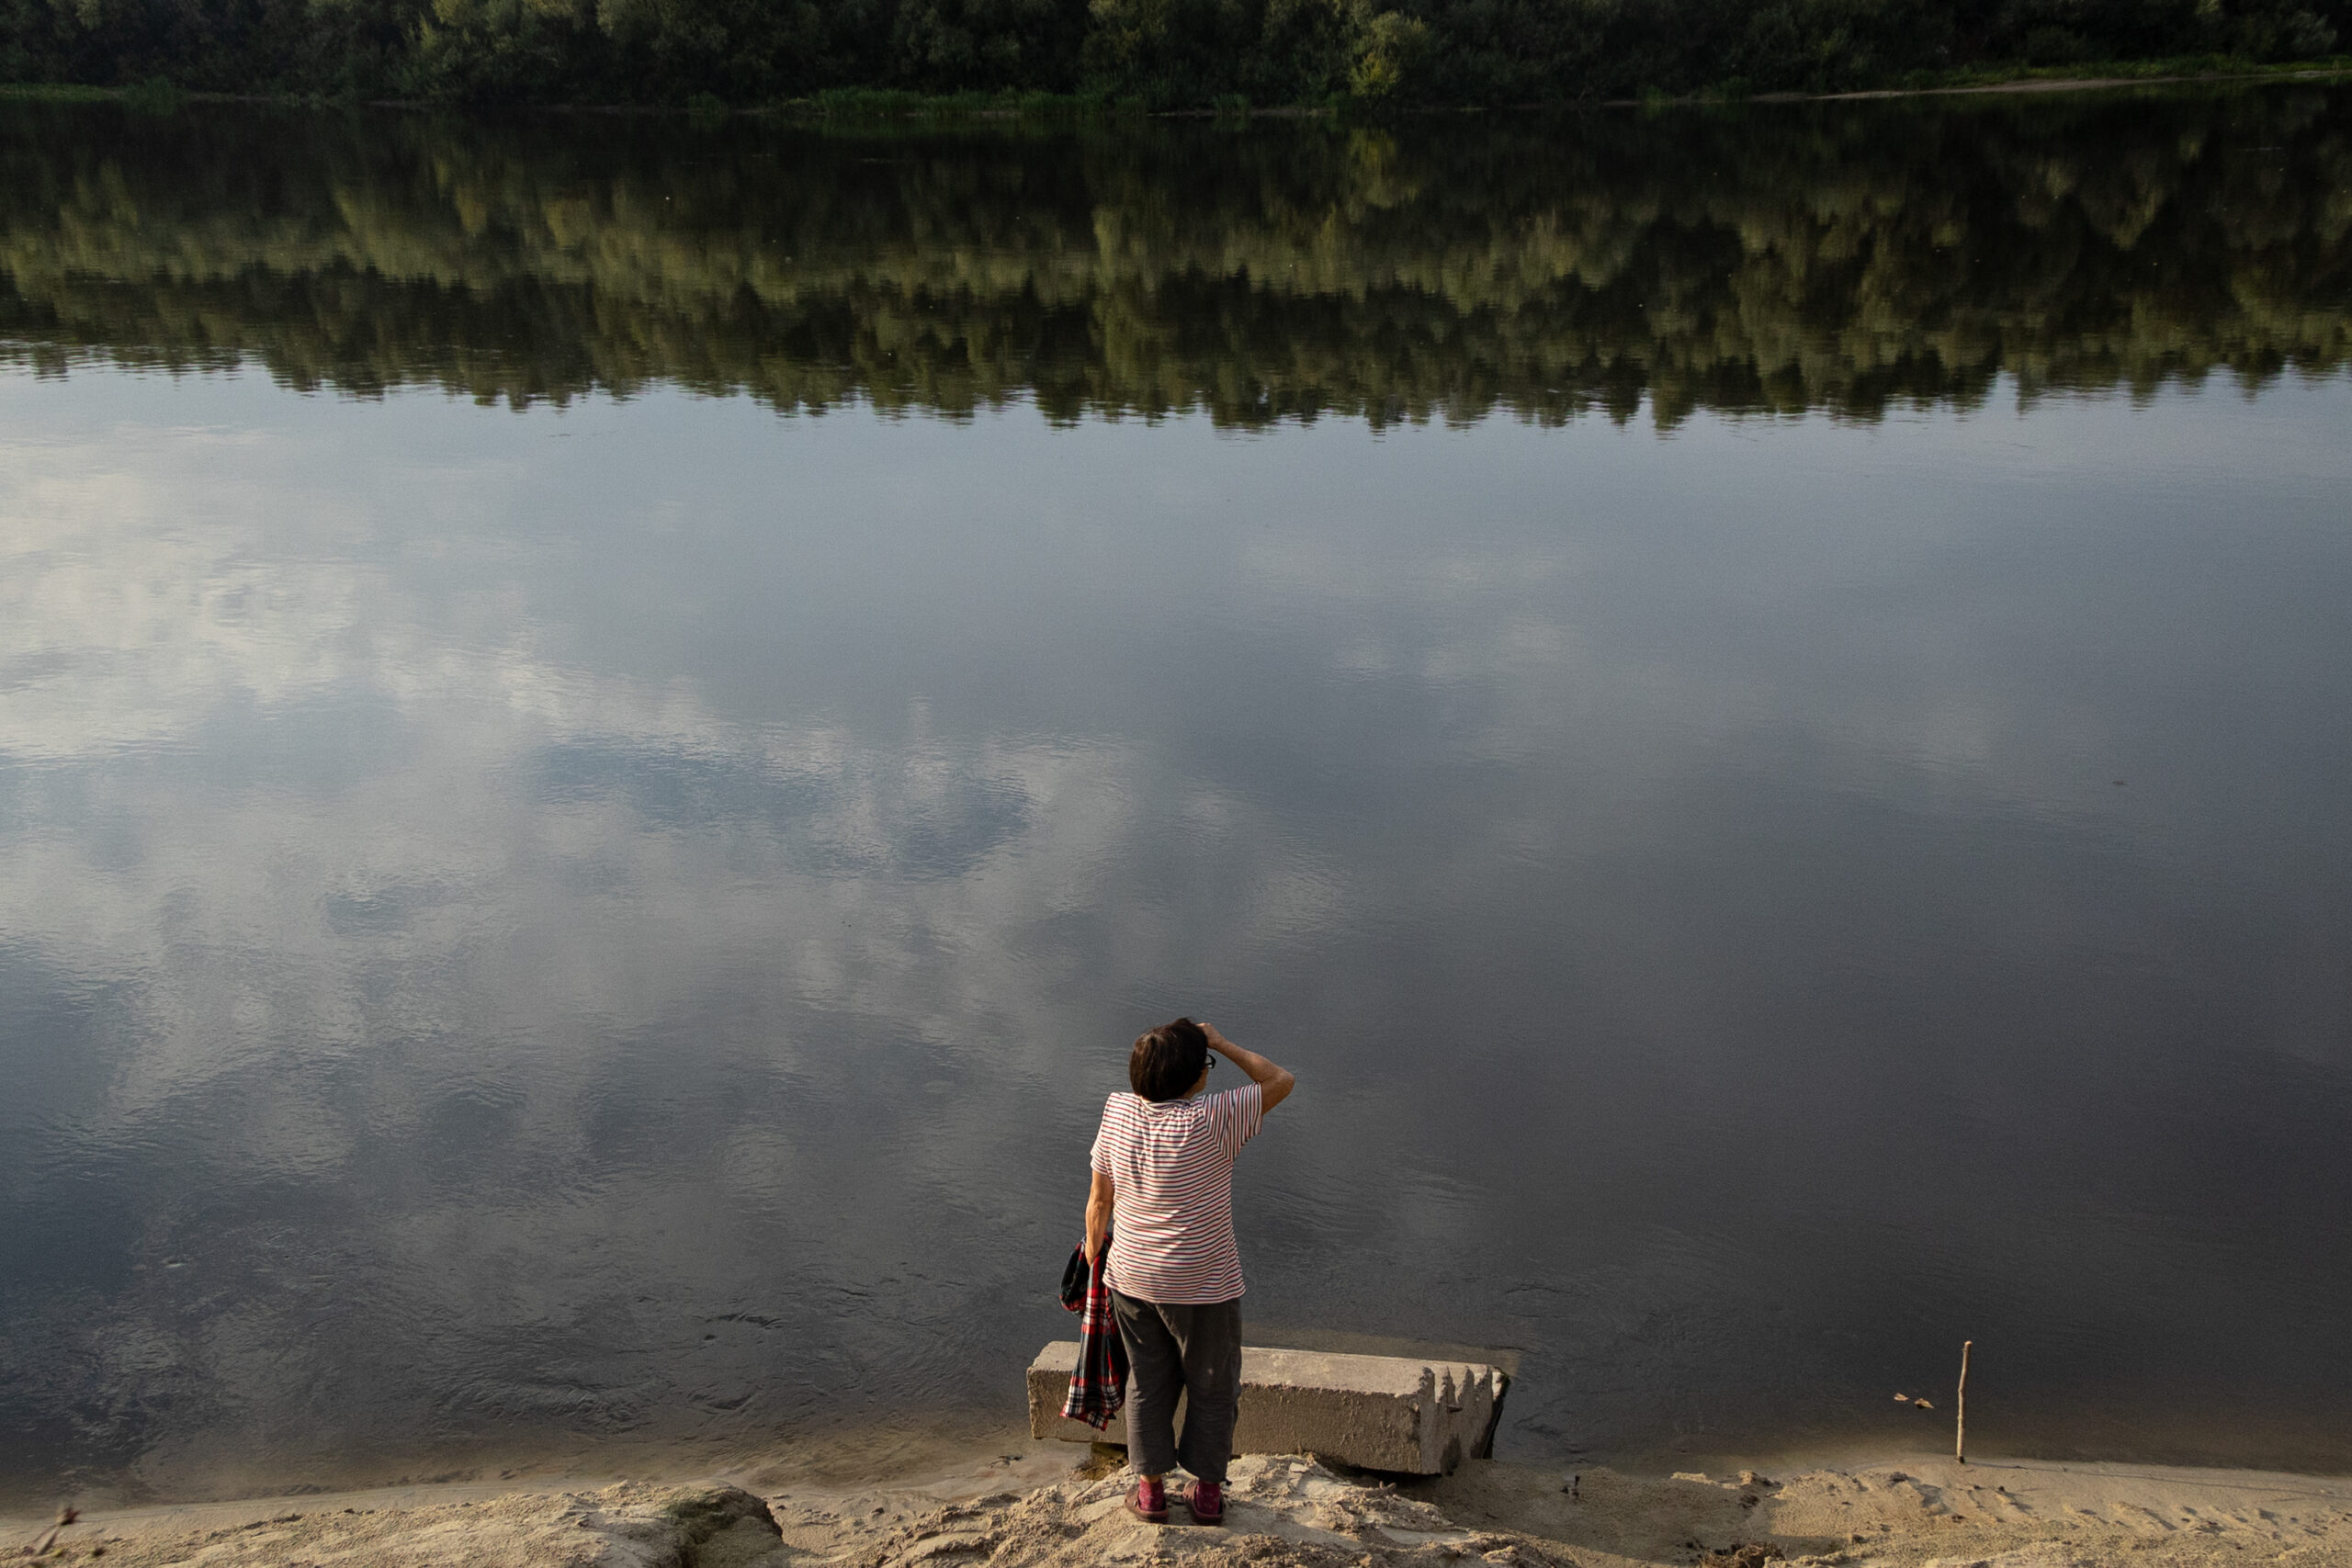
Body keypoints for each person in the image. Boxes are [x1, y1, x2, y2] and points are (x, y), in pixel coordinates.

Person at [1084, 1017, 1295, 1527]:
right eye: (1207, 1064)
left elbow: (1098, 1200)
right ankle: (1204, 1494)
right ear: (1194, 1078)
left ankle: (1151, 1492)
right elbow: (1280, 1081)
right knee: (1213, 1384)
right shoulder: (1215, 1118)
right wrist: (1220, 1041)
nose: (1210, 1070)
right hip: (1204, 1284)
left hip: (1131, 1277)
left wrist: (1095, 1264)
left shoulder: (1117, 1112)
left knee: (1148, 1382)